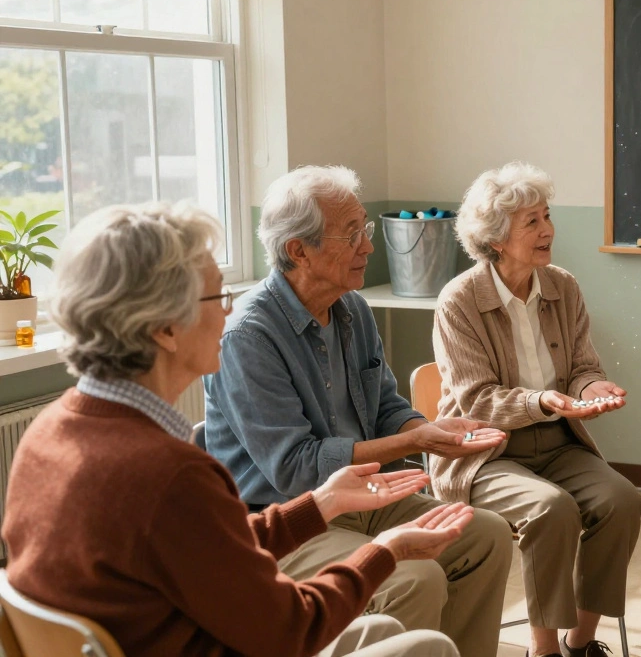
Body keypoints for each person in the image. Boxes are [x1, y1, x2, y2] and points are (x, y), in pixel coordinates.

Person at [2, 202, 465, 656]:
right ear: (165, 327)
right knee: (424, 647)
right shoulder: (169, 474)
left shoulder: (49, 431)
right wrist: (384, 552)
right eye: (217, 296)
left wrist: (321, 503)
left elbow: (211, 551)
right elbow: (290, 630)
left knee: (381, 631)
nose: (228, 313)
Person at [203, 166, 513, 657]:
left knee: (486, 535)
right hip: (288, 517)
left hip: (367, 495)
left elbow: (385, 404)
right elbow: (295, 468)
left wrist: (430, 429)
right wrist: (415, 442)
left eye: (364, 231)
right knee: (414, 578)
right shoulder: (248, 336)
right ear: (297, 251)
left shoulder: (353, 308)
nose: (368, 247)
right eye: (352, 235)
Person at [431, 162, 641, 657]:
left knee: (623, 501)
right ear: (497, 238)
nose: (547, 229)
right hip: (485, 453)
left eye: (547, 215)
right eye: (531, 221)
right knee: (552, 510)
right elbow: (476, 399)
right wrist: (542, 401)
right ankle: (542, 649)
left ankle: (580, 642)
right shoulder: (458, 300)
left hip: (558, 443)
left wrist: (592, 390)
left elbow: (583, 368)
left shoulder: (562, 286)